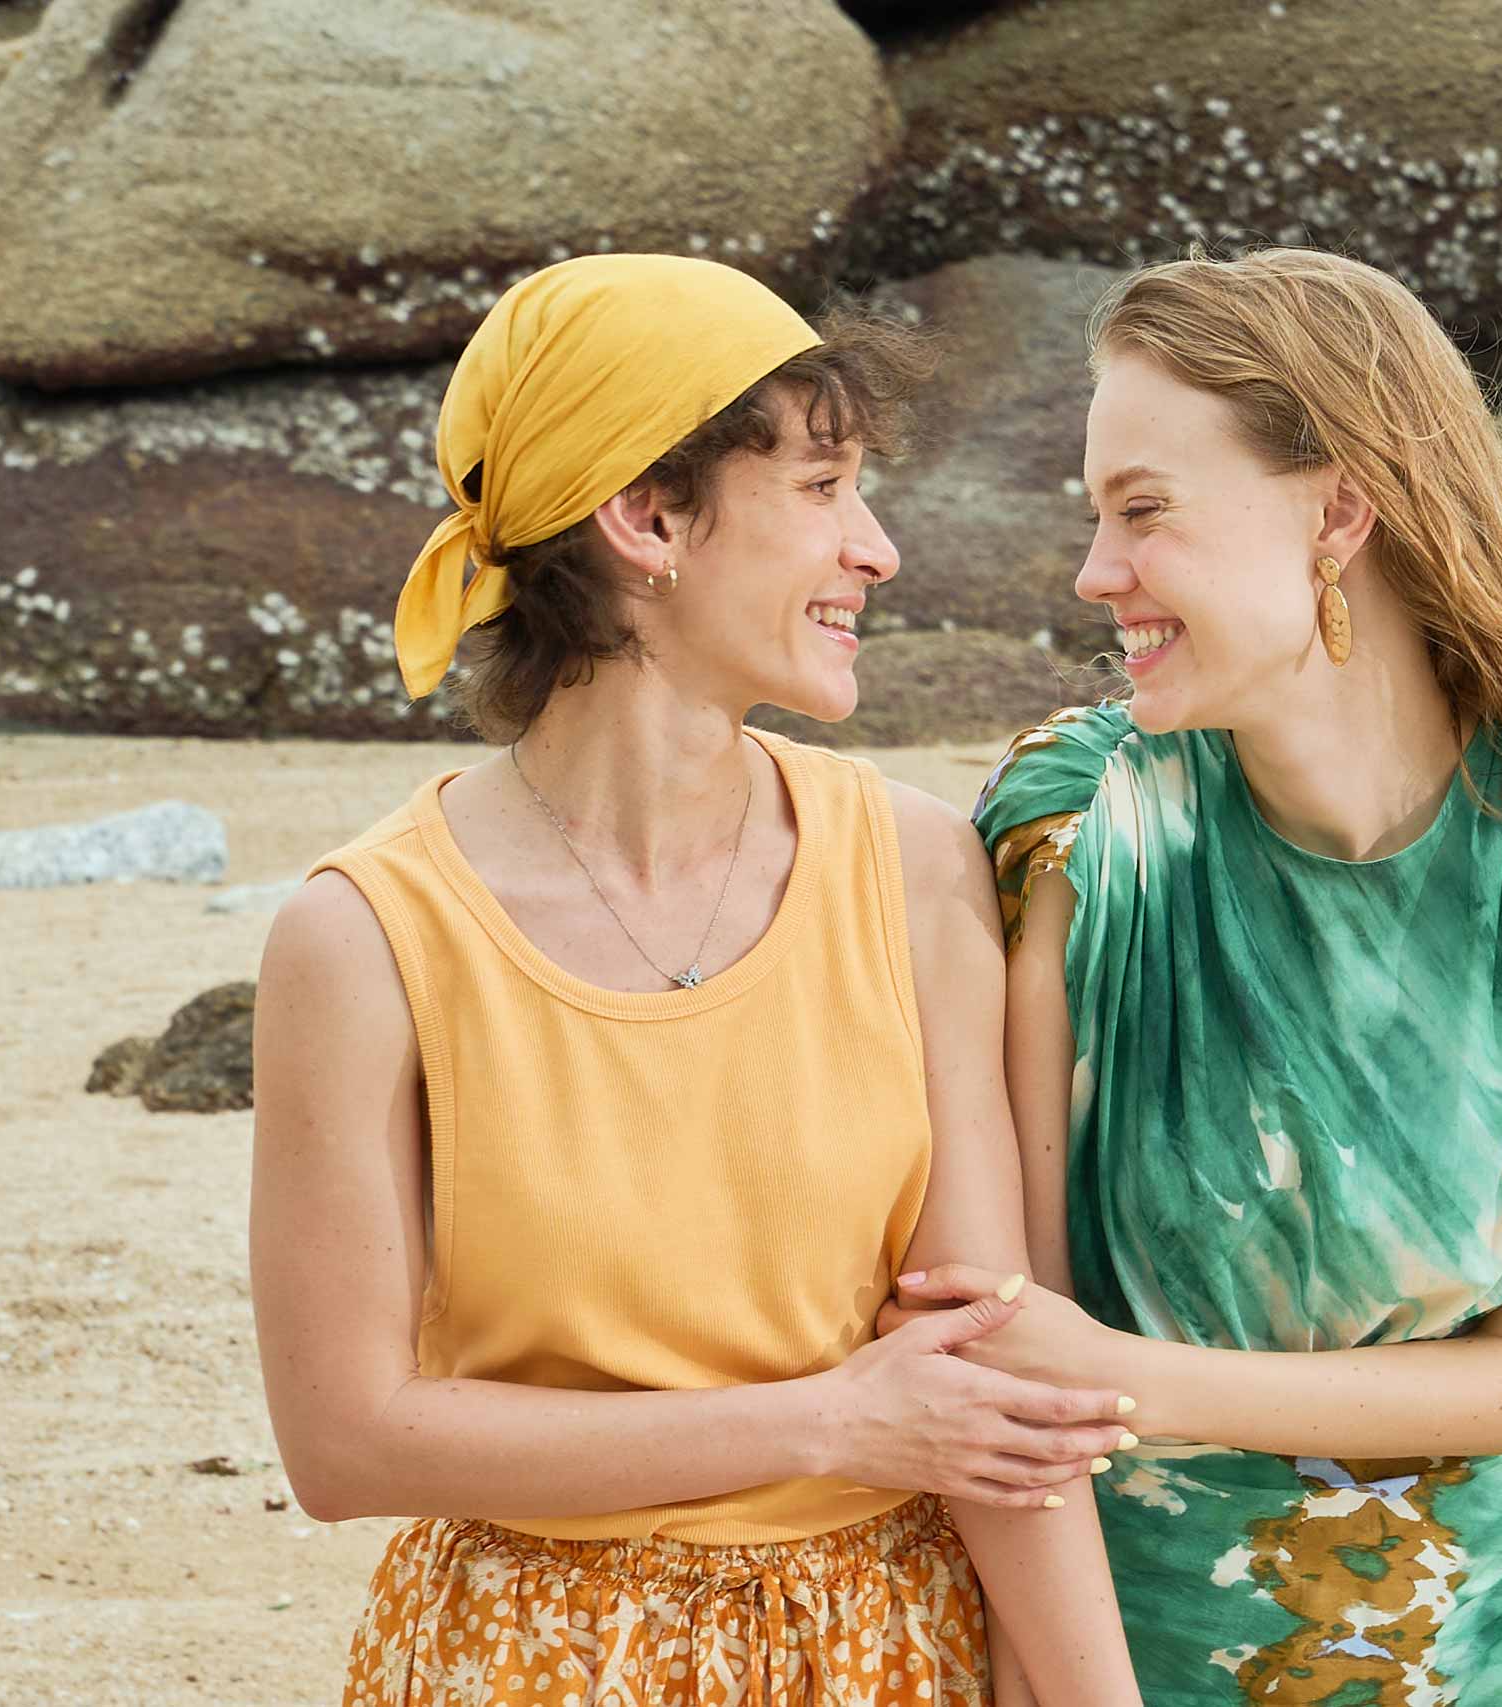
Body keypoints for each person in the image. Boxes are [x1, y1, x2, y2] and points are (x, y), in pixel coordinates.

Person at [895, 247, 1502, 1705]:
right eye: (1094, 519)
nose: (1094, 573)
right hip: (1134, 1661)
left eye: (1144, 513)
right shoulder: (1078, 835)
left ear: (1340, 511)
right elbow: (1018, 1378)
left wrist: (1124, 1379)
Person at [248, 254, 1143, 1707]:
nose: (877, 548)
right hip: (529, 1667)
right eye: (821, 486)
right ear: (648, 516)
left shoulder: (912, 868)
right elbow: (346, 1444)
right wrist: (828, 1426)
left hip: (890, 1658)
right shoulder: (363, 938)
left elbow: (987, 1397)